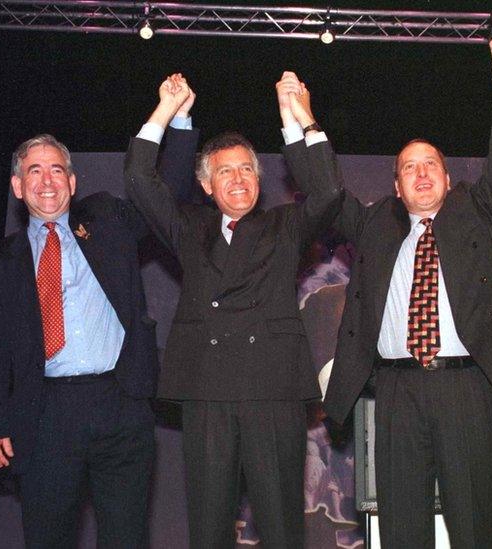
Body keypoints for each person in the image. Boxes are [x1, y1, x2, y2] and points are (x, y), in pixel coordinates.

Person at [282, 37, 492, 549]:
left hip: (464, 387)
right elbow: (326, 191)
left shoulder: (476, 216)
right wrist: (301, 120)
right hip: (395, 391)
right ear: (396, 187)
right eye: (408, 168)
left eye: (430, 165)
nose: (420, 174)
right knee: (400, 526)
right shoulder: (375, 226)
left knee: (471, 523)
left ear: (447, 177)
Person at [0, 74, 197, 548]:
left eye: (56, 170)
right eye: (34, 170)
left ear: (72, 182)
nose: (46, 180)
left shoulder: (108, 219)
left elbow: (167, 191)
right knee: (48, 538)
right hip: (44, 414)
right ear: (17, 185)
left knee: (125, 539)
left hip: (120, 402)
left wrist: (177, 119)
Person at [124, 72, 343, 548]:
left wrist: (298, 117)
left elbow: (328, 193)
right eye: (225, 171)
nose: (238, 179)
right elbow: (141, 180)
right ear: (206, 185)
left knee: (283, 526)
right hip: (208, 393)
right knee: (208, 527)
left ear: (260, 183)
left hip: (273, 392)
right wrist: (165, 111)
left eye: (247, 169)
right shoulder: (188, 228)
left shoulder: (284, 226)